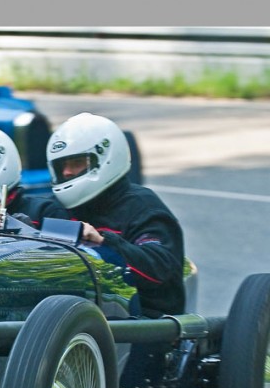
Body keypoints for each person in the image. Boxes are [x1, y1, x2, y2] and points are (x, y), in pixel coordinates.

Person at [46, 112, 185, 318]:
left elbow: (160, 270)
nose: (66, 172)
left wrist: (104, 242)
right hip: (84, 312)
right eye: (61, 166)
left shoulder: (143, 207)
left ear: (104, 159)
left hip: (143, 321)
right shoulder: (59, 208)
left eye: (76, 163)